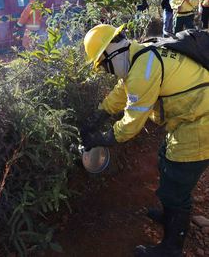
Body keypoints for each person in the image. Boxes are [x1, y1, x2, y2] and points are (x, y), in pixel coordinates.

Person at [81, 23, 209, 257]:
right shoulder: (141, 54)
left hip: (201, 124)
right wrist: (99, 115)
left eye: (104, 65)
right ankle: (170, 216)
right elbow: (121, 92)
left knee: (177, 184)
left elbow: (130, 124)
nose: (106, 71)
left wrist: (103, 137)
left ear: (112, 51)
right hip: (190, 119)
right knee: (165, 161)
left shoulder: (143, 70)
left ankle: (171, 248)